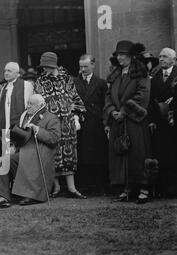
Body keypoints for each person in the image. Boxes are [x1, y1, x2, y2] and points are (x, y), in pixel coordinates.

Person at [0, 94, 61, 208]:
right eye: (28, 103)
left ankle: (31, 195)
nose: (28, 106)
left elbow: (54, 138)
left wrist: (37, 130)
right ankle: (3, 196)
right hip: (23, 152)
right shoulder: (25, 117)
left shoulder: (51, 118)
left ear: (40, 105)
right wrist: (13, 145)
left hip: (39, 154)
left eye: (31, 104)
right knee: (3, 160)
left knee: (28, 159)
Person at [104, 41, 152, 204]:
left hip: (134, 121)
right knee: (121, 155)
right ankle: (127, 188)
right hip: (118, 120)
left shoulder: (140, 73)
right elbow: (108, 95)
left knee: (138, 154)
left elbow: (142, 95)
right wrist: (112, 111)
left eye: (122, 54)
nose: (119, 57)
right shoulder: (116, 74)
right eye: (117, 54)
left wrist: (124, 111)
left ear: (131, 56)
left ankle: (144, 189)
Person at [35, 52, 87, 199]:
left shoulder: (66, 79)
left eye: (47, 66)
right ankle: (56, 187)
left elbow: (75, 98)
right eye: (43, 66)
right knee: (53, 152)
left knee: (69, 153)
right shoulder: (40, 81)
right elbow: (38, 102)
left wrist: (76, 117)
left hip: (67, 122)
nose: (45, 69)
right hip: (50, 123)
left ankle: (72, 187)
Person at [73, 54, 109, 195]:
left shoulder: (101, 83)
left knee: (98, 155)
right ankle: (84, 186)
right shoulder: (74, 82)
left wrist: (105, 123)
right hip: (80, 124)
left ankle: (100, 186)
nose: (83, 69)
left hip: (96, 124)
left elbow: (105, 104)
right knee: (81, 155)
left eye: (86, 66)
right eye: (81, 66)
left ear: (93, 65)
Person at [148, 48, 177, 198]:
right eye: (160, 56)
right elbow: (151, 100)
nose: (161, 59)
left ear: (173, 59)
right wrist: (152, 120)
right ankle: (164, 189)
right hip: (160, 122)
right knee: (162, 154)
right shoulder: (155, 75)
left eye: (165, 57)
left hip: (174, 121)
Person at [0, 62, 34, 134]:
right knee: (5, 143)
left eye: (9, 71)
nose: (6, 73)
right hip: (5, 125)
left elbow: (31, 106)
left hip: (21, 125)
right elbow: (0, 110)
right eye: (5, 71)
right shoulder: (4, 88)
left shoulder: (26, 85)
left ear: (17, 73)